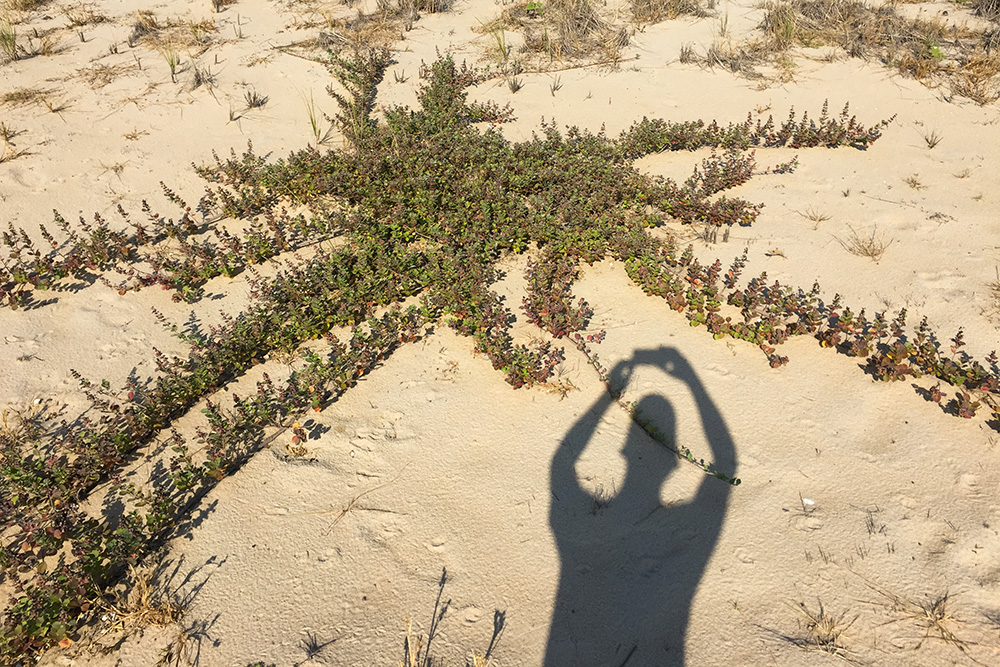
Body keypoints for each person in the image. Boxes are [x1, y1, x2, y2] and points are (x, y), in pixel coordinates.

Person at [545, 347, 735, 666]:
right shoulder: (690, 531)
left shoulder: (579, 528)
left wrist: (608, 396)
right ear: (675, 465)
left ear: (621, 453)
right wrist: (691, 381)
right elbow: (727, 461)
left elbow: (560, 465)